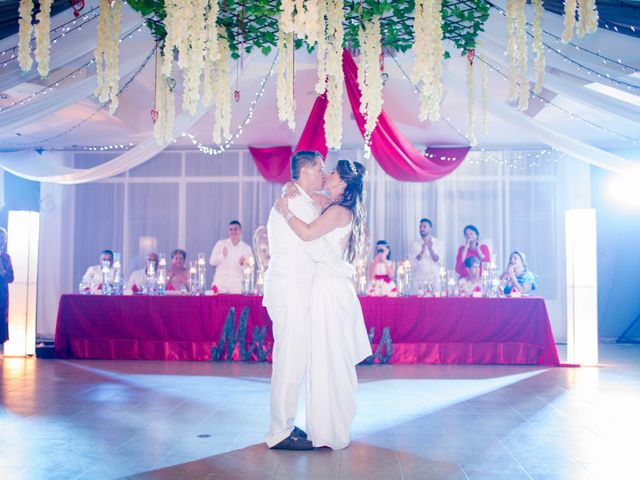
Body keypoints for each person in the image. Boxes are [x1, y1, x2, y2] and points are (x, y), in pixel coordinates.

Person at [275, 159, 372, 450]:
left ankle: (331, 429)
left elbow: (306, 233)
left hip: (330, 290)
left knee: (328, 358)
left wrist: (286, 212)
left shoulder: (338, 211)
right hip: (329, 287)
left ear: (341, 184)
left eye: (331, 173)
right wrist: (289, 188)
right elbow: (305, 192)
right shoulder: (334, 206)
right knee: (324, 357)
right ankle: (324, 427)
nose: (326, 174)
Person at [262, 150, 326, 451]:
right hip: (290, 292)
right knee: (289, 362)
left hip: (294, 291)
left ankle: (285, 422)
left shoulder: (299, 198)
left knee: (292, 360)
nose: (324, 175)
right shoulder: (294, 202)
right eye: (320, 169)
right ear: (305, 171)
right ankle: (279, 431)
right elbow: (314, 241)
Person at [209, 220, 254, 294]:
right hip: (220, 285)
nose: (233, 232)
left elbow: (249, 270)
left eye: (235, 229)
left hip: (236, 287)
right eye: (230, 229)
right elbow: (211, 262)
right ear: (228, 231)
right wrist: (222, 256)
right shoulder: (221, 243)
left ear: (240, 231)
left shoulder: (246, 248)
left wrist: (242, 263)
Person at [411, 218, 442, 292]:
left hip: (434, 279)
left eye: (424, 226)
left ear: (430, 228)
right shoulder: (415, 244)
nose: (422, 229)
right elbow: (413, 263)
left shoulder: (438, 243)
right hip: (419, 280)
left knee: (435, 303)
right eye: (420, 227)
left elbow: (439, 261)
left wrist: (430, 249)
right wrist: (422, 251)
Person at [0, 228, 14, 352]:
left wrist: (4, 272)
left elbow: (11, 278)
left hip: (2, 294)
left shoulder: (6, 257)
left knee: (1, 320)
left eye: (3, 239)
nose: (1, 242)